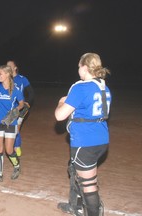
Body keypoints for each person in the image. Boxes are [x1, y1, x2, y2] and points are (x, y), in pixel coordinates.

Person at [55, 53, 111, 216]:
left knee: (88, 184)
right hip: (101, 139)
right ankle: (75, 206)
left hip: (85, 141)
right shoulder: (104, 87)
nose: (78, 69)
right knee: (74, 169)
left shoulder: (81, 87)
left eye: (79, 66)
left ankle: (92, 211)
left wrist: (61, 102)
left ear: (85, 68)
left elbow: (59, 116)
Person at [6, 60, 34, 157]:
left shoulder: (22, 79)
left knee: (15, 129)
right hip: (8, 108)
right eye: (7, 66)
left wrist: (28, 104)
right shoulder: (6, 79)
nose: (8, 67)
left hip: (19, 108)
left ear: (15, 68)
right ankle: (11, 148)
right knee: (8, 129)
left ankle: (17, 149)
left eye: (10, 65)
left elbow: (31, 92)